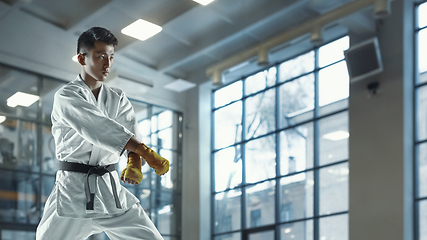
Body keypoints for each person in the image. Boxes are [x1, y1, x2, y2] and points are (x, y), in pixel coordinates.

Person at [36, 27, 169, 240]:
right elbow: (96, 127)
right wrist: (145, 152)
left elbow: (130, 131)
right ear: (82, 58)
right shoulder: (67, 96)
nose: (107, 64)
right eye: (100, 56)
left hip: (111, 192)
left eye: (111, 57)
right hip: (74, 192)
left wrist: (134, 162)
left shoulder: (118, 98)